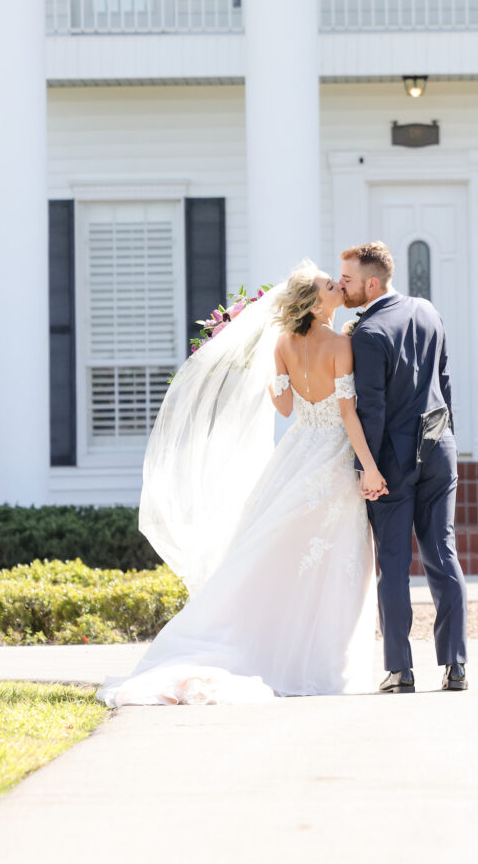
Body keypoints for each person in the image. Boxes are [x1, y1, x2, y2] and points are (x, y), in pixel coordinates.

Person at [97, 262, 384, 705]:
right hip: (330, 454)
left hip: (296, 451)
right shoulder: (341, 344)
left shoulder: (284, 344)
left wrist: (268, 378)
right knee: (338, 555)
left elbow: (285, 406)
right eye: (331, 284)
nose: (337, 287)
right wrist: (369, 466)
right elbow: (348, 415)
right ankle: (320, 663)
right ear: (314, 301)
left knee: (281, 547)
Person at [339, 241, 468, 693]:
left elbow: (370, 410)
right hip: (440, 448)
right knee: (443, 553)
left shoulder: (368, 334)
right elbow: (445, 382)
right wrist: (449, 440)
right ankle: (456, 666)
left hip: (391, 462)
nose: (343, 287)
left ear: (372, 282)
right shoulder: (429, 311)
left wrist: (365, 468)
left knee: (393, 565)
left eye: (349, 280)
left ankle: (400, 671)